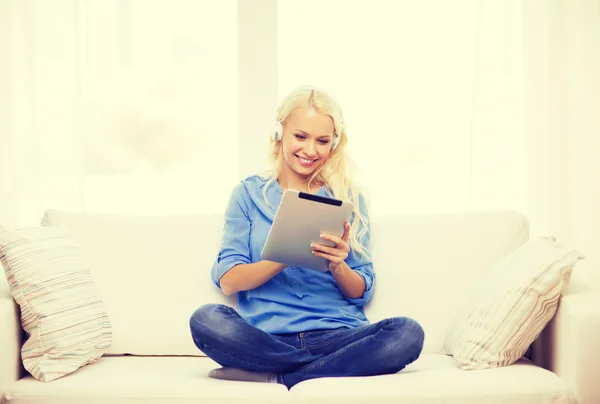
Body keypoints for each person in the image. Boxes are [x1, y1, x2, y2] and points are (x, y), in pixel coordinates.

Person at [189, 85, 424, 390]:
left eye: (322, 141)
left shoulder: (348, 198)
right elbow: (229, 281)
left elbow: (360, 291)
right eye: (301, 137)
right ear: (280, 132)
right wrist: (285, 252)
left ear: (334, 144)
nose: (311, 151)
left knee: (407, 333)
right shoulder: (247, 195)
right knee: (206, 320)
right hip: (268, 337)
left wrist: (339, 265)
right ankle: (316, 370)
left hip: (338, 336)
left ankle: (288, 375)